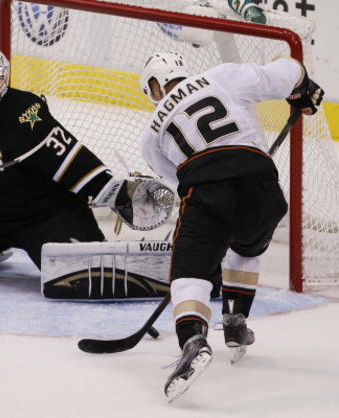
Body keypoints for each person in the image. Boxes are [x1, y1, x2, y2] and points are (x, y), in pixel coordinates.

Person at [137, 51, 324, 401]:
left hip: (207, 191)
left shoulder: (151, 133)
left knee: (187, 273)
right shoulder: (221, 75)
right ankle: (236, 322)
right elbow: (289, 69)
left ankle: (193, 339)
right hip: (262, 186)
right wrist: (301, 88)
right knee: (245, 245)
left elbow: (180, 179)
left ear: (154, 87)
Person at [0, 43, 172, 284]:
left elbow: (69, 159)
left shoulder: (26, 112)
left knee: (82, 279)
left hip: (44, 216)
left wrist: (115, 192)